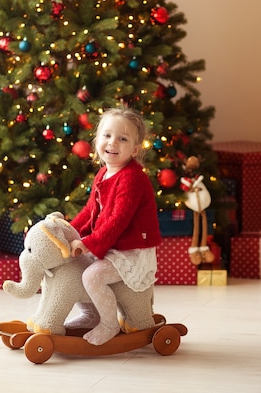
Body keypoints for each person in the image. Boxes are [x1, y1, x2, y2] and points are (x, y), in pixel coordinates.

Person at [68, 107, 162, 345]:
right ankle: (90, 315)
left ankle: (109, 323)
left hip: (131, 252)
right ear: (97, 140)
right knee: (75, 268)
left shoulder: (132, 178)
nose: (113, 143)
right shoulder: (103, 173)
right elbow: (91, 211)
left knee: (92, 277)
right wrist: (69, 231)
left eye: (123, 139)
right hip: (112, 245)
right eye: (107, 136)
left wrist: (88, 243)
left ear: (135, 149)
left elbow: (117, 221)